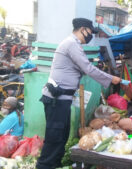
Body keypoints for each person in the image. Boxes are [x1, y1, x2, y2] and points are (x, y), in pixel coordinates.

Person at [36, 18, 121, 169]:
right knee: (54, 137)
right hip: (57, 100)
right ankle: (44, 166)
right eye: (90, 32)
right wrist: (111, 78)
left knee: (62, 136)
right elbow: (88, 68)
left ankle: (54, 165)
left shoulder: (75, 45)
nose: (91, 36)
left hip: (63, 100)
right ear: (83, 29)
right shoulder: (71, 44)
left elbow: (83, 68)